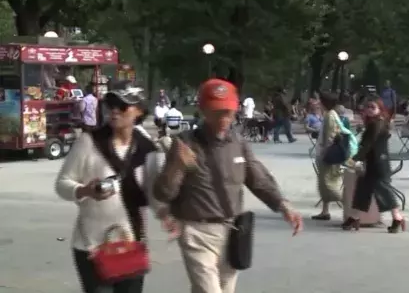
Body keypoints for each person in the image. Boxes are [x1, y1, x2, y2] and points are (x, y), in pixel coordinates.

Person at [152, 78, 303, 293]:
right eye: (217, 111)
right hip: (196, 232)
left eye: (228, 111)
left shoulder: (238, 143)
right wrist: (176, 166)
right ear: (203, 110)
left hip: (232, 230)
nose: (224, 117)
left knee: (224, 289)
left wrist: (283, 205)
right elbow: (163, 193)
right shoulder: (185, 143)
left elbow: (258, 179)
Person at [54, 81, 167, 293]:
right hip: (92, 245)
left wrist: (168, 213)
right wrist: (85, 190)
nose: (114, 111)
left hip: (130, 244)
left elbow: (154, 195)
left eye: (123, 106)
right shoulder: (89, 142)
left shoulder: (147, 148)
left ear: (139, 111)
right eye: (111, 105)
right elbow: (62, 184)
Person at [343, 97, 405, 233]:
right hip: (373, 162)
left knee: (383, 191)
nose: (370, 110)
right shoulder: (374, 123)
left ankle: (397, 217)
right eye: (368, 107)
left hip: (379, 163)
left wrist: (354, 159)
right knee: (363, 190)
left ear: (380, 110)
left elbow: (368, 144)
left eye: (373, 107)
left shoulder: (378, 123)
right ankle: (354, 217)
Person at [312, 92, 344, 220]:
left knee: (328, 183)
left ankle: (349, 204)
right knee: (323, 184)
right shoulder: (329, 114)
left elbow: (330, 137)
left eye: (320, 100)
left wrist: (325, 152)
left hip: (327, 155)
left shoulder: (330, 116)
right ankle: (325, 211)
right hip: (325, 153)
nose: (318, 102)